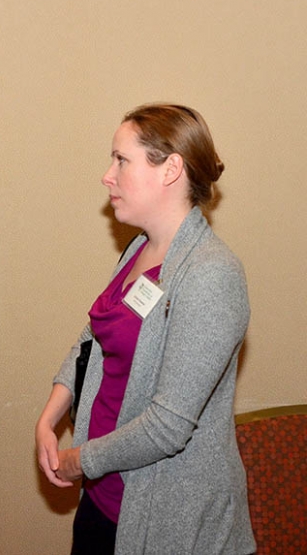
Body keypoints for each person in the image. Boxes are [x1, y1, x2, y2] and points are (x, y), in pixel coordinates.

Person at [35, 104, 255, 554]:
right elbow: (94, 338)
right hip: (103, 497)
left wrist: (80, 460)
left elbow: (167, 426)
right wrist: (51, 414)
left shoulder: (211, 274)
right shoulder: (139, 248)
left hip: (168, 516)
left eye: (122, 160)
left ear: (170, 169)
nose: (107, 176)